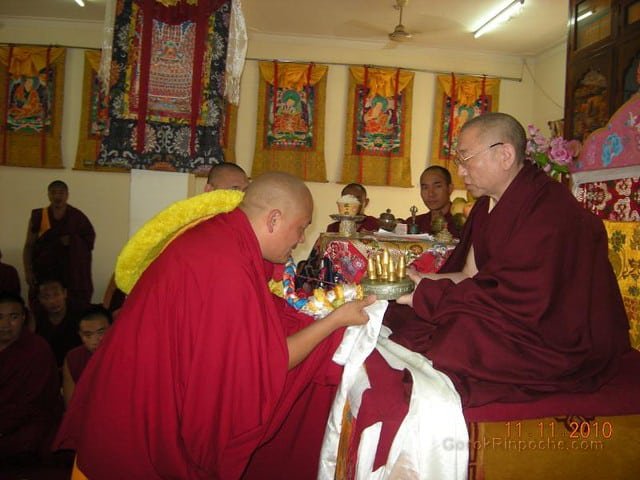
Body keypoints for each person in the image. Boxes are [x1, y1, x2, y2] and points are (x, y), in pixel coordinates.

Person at [54, 172, 375, 479]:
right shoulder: (226, 263)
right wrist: (336, 320)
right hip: (133, 428)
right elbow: (265, 364)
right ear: (274, 219)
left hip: (133, 397)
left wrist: (310, 317)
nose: (301, 238)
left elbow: (261, 314)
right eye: (301, 227)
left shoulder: (223, 237)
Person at [387, 112, 630, 407]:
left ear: (504, 154)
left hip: (553, 333)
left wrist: (427, 295)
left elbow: (525, 298)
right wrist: (419, 281)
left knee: (459, 336)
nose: (461, 172)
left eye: (466, 159)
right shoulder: (483, 207)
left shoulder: (550, 210)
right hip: (512, 311)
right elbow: (469, 274)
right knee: (404, 316)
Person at [0, 291, 62, 465]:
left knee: (32, 437)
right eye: (0, 317)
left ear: (23, 318)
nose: (5, 324)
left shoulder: (37, 349)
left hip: (26, 421)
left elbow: (36, 401)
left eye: (13, 317)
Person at [23, 180, 95, 312]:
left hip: (71, 272)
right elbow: (29, 246)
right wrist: (28, 271)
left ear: (67, 195)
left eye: (61, 193)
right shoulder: (40, 216)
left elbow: (89, 240)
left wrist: (73, 241)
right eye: (53, 193)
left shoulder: (77, 216)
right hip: (45, 270)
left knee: (73, 308)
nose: (57, 196)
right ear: (48, 195)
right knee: (44, 307)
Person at [62, 305, 112, 407]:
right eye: (88, 335)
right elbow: (71, 405)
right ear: (80, 335)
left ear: (113, 329)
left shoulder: (126, 355)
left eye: (101, 332)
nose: (95, 340)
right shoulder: (73, 358)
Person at [34, 278, 82, 367]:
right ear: (40, 299)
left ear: (65, 293)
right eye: (46, 297)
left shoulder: (80, 316)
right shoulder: (35, 319)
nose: (52, 301)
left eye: (56, 294)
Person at [406, 166, 462, 238]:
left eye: (437, 186)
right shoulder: (414, 223)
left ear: (450, 188)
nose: (431, 194)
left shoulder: (462, 223)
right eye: (425, 188)